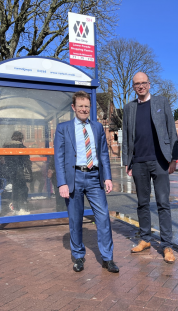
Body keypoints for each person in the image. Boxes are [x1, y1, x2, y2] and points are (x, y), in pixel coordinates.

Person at [54, 90, 118, 273]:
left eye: (87, 106)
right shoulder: (63, 128)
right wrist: (62, 183)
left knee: (104, 217)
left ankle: (108, 258)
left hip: (94, 177)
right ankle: (78, 256)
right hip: (74, 177)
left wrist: (107, 177)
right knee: (75, 219)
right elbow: (58, 157)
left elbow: (103, 154)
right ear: (74, 107)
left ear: (91, 108)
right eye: (80, 106)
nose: (84, 109)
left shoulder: (97, 127)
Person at [122, 72, 178, 263]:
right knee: (142, 203)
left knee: (163, 203)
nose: (141, 86)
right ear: (134, 87)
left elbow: (171, 130)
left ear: (149, 84)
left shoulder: (161, 102)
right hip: (138, 162)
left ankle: (166, 245)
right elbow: (127, 137)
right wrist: (127, 162)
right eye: (137, 84)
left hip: (160, 160)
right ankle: (145, 239)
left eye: (143, 83)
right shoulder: (129, 108)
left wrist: (174, 158)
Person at [3, 131, 32, 215]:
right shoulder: (21, 146)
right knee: (23, 188)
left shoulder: (6, 146)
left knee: (15, 188)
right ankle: (22, 208)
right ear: (20, 138)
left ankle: (16, 207)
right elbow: (26, 160)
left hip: (9, 171)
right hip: (19, 171)